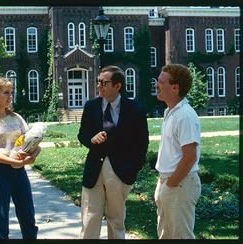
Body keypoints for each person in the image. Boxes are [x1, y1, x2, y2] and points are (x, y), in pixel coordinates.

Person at [77, 65, 149, 239]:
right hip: (94, 169)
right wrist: (91, 140)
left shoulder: (135, 109)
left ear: (117, 86)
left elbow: (141, 145)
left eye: (104, 82)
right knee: (89, 218)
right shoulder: (91, 106)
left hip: (120, 172)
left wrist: (131, 171)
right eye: (98, 81)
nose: (99, 85)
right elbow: (82, 134)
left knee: (116, 220)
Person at [0, 77, 40, 240]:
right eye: (6, 93)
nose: (10, 96)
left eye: (11, 93)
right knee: (1, 221)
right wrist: (15, 161)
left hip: (20, 173)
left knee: (28, 218)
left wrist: (32, 155)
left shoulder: (16, 118)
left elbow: (34, 143)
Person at [154, 64, 201, 239]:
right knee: (165, 235)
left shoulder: (185, 116)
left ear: (175, 88)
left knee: (181, 236)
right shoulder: (170, 112)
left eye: (160, 82)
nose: (156, 85)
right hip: (169, 182)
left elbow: (190, 157)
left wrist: (171, 184)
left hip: (179, 184)